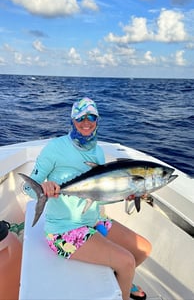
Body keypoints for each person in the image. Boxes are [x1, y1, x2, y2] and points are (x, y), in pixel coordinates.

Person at [24, 97, 151, 300]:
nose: (86, 121)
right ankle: (124, 290)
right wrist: (44, 187)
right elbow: (28, 189)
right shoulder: (55, 148)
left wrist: (126, 195)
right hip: (64, 231)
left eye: (92, 116)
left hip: (93, 220)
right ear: (72, 120)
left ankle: (122, 279)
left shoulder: (98, 152)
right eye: (80, 117)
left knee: (144, 249)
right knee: (127, 261)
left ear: (97, 120)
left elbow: (99, 197)